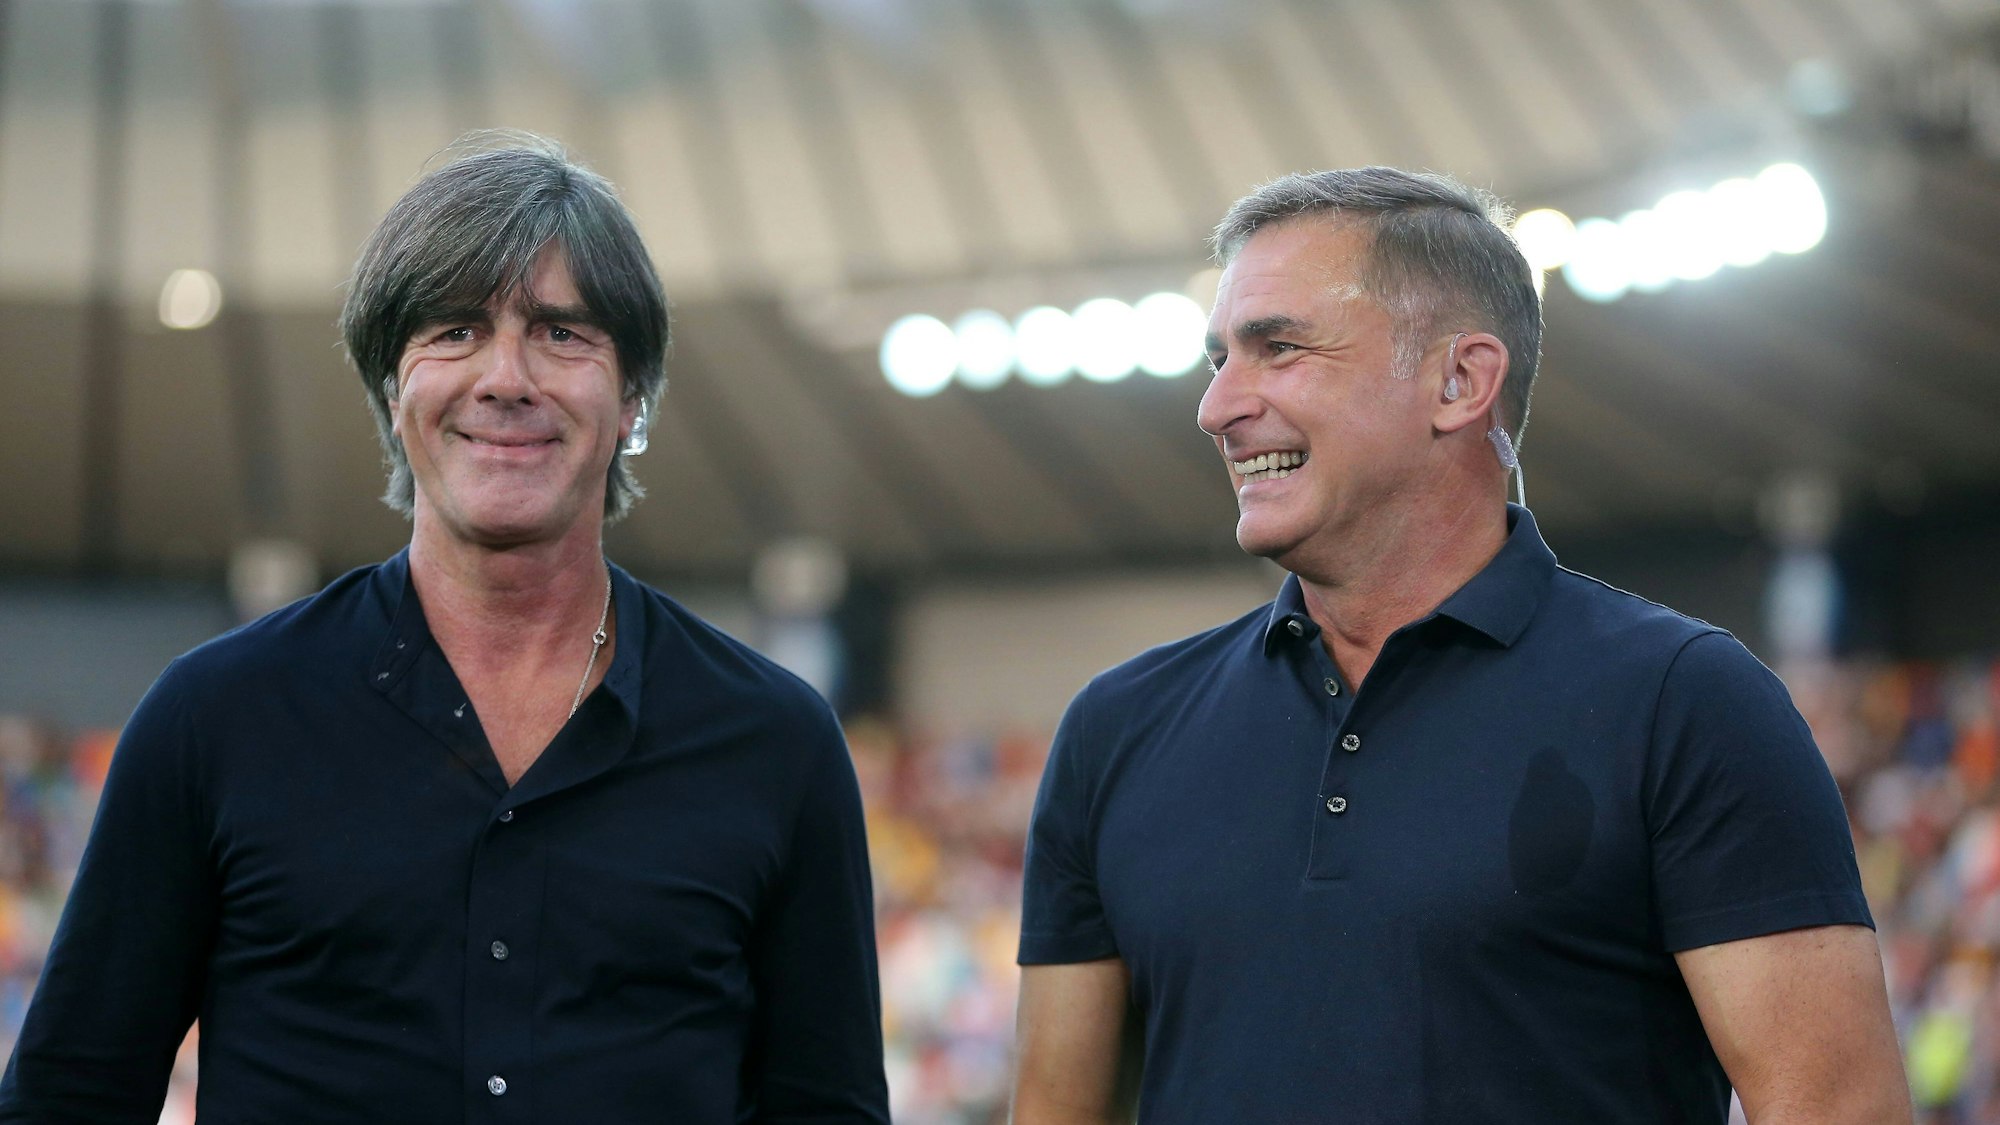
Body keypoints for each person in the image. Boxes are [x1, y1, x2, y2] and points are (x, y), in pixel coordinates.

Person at [0, 136, 890, 1123]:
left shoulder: (775, 743)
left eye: (561, 333)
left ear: (632, 397)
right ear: (393, 390)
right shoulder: (214, 717)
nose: (506, 377)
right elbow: (68, 1098)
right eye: (455, 330)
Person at [1011, 168, 1910, 1124]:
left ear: (1461, 381)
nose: (1217, 406)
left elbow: (1839, 1109)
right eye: (1218, 359)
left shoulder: (1685, 700)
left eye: (1279, 348)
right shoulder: (1116, 730)